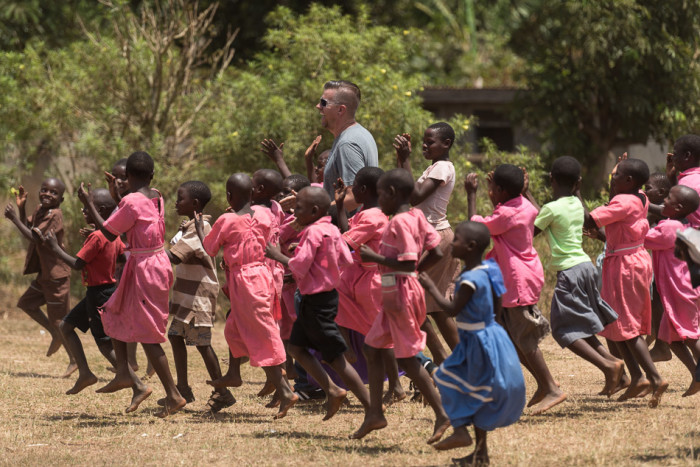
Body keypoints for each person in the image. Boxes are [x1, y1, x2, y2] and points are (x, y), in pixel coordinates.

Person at [78, 151, 185, 417]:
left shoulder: (132, 202)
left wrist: (88, 202)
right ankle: (124, 372)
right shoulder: (156, 195)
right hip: (154, 262)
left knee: (147, 334)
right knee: (115, 310)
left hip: (145, 267)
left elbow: (107, 231)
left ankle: (173, 395)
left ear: (126, 177)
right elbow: (129, 216)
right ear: (152, 175)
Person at [351, 168, 449, 443]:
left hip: (402, 293)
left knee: (407, 356)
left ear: (392, 194)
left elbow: (406, 261)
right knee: (372, 348)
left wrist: (376, 258)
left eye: (381, 193)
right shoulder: (418, 215)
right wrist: (416, 272)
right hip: (396, 292)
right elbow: (437, 249)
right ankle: (374, 413)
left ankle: (442, 413)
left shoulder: (398, 222)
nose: (379, 198)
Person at [419, 221, 526, 465]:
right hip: (490, 334)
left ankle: (459, 429)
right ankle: (480, 455)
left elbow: (451, 309)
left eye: (455, 240)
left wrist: (431, 288)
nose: (452, 243)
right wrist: (493, 330)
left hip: (476, 340)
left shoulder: (468, 280)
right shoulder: (490, 269)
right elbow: (498, 305)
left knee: (445, 377)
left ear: (470, 247)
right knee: (479, 393)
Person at [465, 164, 567, 415]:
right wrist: (504, 194)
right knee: (513, 340)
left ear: (500, 190)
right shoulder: (526, 206)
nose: (489, 191)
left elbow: (476, 229)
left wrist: (472, 195)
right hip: (522, 276)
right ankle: (546, 385)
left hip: (516, 280)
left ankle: (552, 388)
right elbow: (512, 212)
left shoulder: (506, 215)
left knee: (524, 340)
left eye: (492, 188)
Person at [265, 186, 371, 421]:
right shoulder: (331, 229)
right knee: (296, 348)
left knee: (335, 358)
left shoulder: (312, 233)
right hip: (324, 298)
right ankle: (332, 390)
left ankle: (371, 408)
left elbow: (298, 266)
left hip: (317, 302)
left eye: (298, 209)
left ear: (313, 211)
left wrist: (277, 255)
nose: (295, 213)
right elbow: (344, 258)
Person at [43, 189, 152, 410]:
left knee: (104, 344)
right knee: (66, 326)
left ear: (99, 210)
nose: (84, 210)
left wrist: (54, 248)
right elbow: (121, 256)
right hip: (104, 290)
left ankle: (138, 385)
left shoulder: (97, 236)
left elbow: (77, 264)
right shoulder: (110, 235)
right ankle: (85, 372)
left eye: (87, 206)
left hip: (99, 293)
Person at [200, 173, 298, 419]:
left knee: (264, 333)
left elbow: (209, 248)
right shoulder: (265, 214)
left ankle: (285, 390)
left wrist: (200, 226)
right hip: (262, 274)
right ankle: (234, 374)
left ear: (229, 196)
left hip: (246, 281)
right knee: (233, 327)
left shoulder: (226, 219)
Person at [524, 156, 623, 396]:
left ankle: (608, 366)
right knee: (581, 328)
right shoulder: (577, 205)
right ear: (577, 183)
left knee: (563, 330)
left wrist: (524, 194)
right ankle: (616, 366)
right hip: (586, 268)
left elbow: (532, 229)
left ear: (551, 179)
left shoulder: (551, 209)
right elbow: (548, 214)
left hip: (569, 272)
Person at [584, 158, 668, 407]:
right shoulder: (640, 196)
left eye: (615, 174)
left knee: (625, 325)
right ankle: (638, 378)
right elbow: (613, 203)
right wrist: (616, 180)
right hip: (636, 260)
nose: (612, 177)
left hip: (624, 266)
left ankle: (654, 377)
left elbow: (589, 220)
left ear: (628, 180)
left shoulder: (623, 202)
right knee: (615, 321)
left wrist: (573, 194)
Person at [163, 180, 235, 413]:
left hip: (198, 296)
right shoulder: (190, 226)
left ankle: (222, 392)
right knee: (175, 336)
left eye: (180, 198)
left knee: (201, 343)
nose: (176, 202)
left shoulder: (201, 226)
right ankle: (182, 389)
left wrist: (144, 253)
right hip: (187, 294)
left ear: (194, 203)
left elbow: (174, 257)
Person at [335, 167, 405, 403]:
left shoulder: (372, 216)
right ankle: (347, 347)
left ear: (362, 190)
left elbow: (346, 242)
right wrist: (339, 208)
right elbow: (349, 233)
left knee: (383, 335)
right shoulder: (366, 212)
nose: (351, 189)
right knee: (336, 302)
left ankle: (396, 385)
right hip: (360, 277)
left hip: (374, 280)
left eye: (354, 185)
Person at [394, 122, 460, 365]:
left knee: (416, 302)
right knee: (432, 306)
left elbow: (415, 195)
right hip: (430, 235)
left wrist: (406, 160)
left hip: (434, 236)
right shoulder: (435, 166)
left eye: (430, 141)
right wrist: (401, 159)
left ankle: (446, 360)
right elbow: (405, 188)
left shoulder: (442, 167)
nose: (425, 145)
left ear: (446, 144)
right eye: (424, 140)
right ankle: (458, 360)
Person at [4, 178, 76, 377]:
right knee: (26, 303)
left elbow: (34, 237)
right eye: (44, 190)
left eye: (53, 192)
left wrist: (13, 218)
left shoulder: (55, 215)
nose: (47, 194)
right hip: (45, 274)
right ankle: (55, 335)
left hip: (56, 275)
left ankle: (75, 360)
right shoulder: (41, 210)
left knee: (60, 320)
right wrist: (21, 208)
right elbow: (29, 227)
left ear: (61, 199)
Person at [644, 184, 700, 397]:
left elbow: (644, 239)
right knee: (673, 339)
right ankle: (696, 374)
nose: (663, 201)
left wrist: (640, 212)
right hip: (681, 292)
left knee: (691, 337)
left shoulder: (670, 228)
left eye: (667, 198)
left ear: (677, 207)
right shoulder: (681, 225)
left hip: (681, 293)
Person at [317, 80, 378, 210]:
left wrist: (315, 213)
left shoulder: (348, 143)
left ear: (340, 110)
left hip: (348, 228)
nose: (318, 106)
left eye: (323, 103)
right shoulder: (358, 134)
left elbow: (353, 199)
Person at [644, 173, 674, 362]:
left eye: (647, 189)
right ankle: (657, 337)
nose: (645, 192)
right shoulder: (661, 210)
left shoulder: (667, 212)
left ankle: (661, 345)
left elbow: (637, 236)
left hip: (674, 271)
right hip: (663, 270)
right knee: (656, 297)